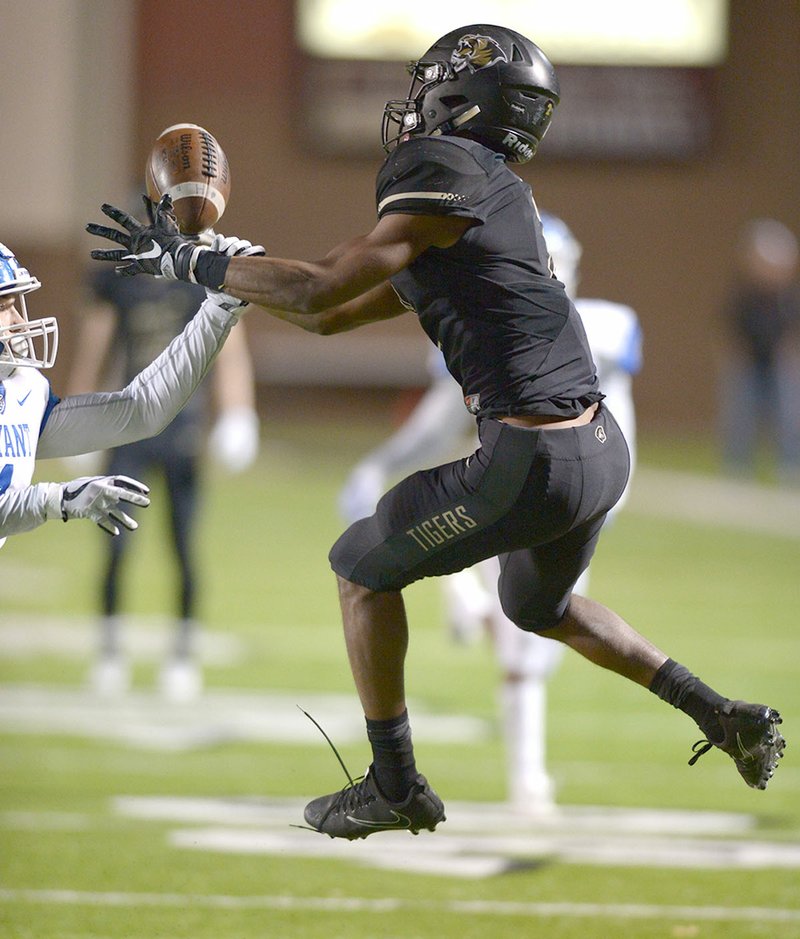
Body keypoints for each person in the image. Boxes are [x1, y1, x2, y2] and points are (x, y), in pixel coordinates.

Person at [89, 24, 786, 841]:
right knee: (536, 604)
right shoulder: (487, 198)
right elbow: (331, 314)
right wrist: (226, 268)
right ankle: (722, 713)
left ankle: (395, 783)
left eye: (430, 85)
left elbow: (321, 289)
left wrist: (193, 264)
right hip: (597, 452)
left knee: (359, 564)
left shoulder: (441, 170)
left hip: (531, 456)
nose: (415, 101)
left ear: (461, 97)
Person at [337, 212, 642, 813]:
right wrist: (378, 463)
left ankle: (471, 604)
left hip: (574, 490)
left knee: (529, 637)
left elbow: (610, 398)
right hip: (519, 488)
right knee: (520, 636)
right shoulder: (503, 325)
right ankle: (527, 776)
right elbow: (441, 421)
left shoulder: (603, 326)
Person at [0, 227, 259, 554]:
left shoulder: (22, 389)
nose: (19, 322)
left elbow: (140, 411)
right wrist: (54, 500)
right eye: (2, 308)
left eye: (15, 304)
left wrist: (219, 310)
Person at [66, 268, 260, 700]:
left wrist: (238, 410)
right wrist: (78, 409)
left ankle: (183, 655)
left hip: (182, 428)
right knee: (115, 543)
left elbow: (228, 345)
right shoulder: (119, 277)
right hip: (127, 426)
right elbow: (97, 343)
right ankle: (110, 652)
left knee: (183, 545)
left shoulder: (198, 275)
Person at [719, 218, 800, 486]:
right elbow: (730, 329)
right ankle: (737, 469)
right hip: (748, 365)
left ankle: (790, 468)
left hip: (779, 367)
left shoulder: (788, 298)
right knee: (741, 418)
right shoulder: (744, 296)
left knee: (789, 418)